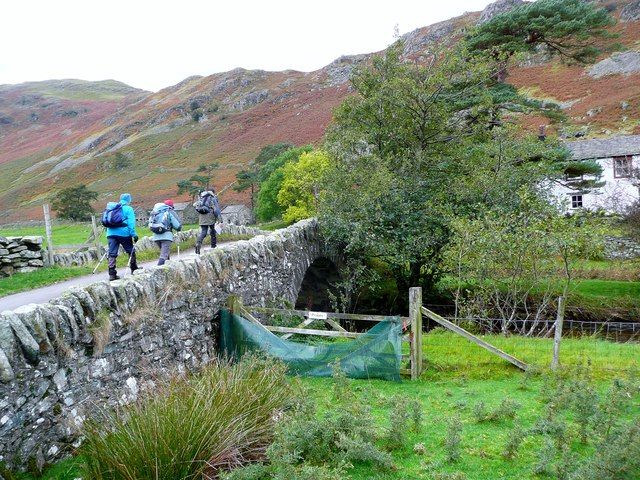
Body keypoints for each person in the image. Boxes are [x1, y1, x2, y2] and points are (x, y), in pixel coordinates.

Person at [106, 193, 139, 281]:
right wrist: (134, 235)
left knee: (112, 253)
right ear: (129, 200)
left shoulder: (112, 208)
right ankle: (134, 269)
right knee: (130, 250)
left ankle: (112, 274)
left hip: (110, 233)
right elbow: (131, 224)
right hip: (124, 233)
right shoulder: (128, 209)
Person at [149, 199, 182, 265]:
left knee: (165, 254)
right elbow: (177, 226)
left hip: (156, 237)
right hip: (166, 236)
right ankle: (158, 271)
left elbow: (150, 225)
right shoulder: (168, 212)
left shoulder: (155, 213)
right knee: (163, 256)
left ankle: (167, 269)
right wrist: (178, 229)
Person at [194, 189, 220, 255]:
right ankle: (213, 246)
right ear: (213, 193)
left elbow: (196, 206)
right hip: (210, 217)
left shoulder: (202, 198)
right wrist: (220, 219)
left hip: (202, 217)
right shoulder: (212, 198)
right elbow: (216, 209)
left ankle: (198, 243)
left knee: (203, 232)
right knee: (213, 231)